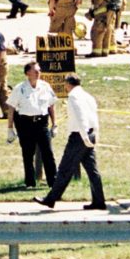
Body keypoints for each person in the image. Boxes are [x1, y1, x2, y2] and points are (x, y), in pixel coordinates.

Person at [37, 74, 105, 210]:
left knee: (65, 168)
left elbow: (80, 116)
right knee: (92, 170)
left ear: (68, 84)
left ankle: (51, 199)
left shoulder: (74, 96)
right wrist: (95, 134)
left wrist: (84, 135)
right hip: (89, 133)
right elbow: (94, 115)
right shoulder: (88, 96)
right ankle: (99, 200)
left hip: (79, 135)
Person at [12, 61, 58, 188]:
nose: (38, 73)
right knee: (28, 154)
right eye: (35, 70)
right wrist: (10, 128)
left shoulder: (45, 86)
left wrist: (54, 124)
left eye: (39, 70)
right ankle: (30, 182)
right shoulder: (20, 88)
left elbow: (51, 106)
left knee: (48, 153)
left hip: (42, 123)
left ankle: (53, 181)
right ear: (27, 73)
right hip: (25, 123)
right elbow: (11, 108)